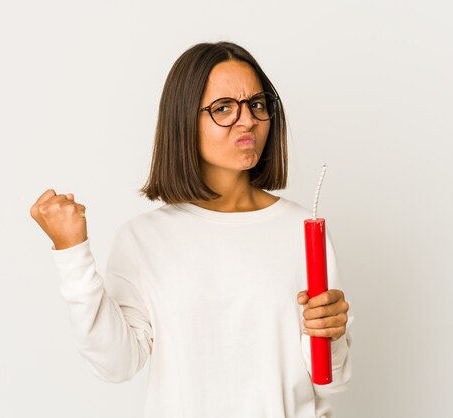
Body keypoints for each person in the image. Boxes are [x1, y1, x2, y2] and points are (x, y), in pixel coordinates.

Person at [30, 41, 353, 418]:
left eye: (257, 104)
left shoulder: (301, 228)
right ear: (183, 121)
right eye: (223, 108)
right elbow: (115, 364)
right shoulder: (143, 239)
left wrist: (330, 332)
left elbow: (331, 376)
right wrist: (72, 253)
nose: (247, 120)